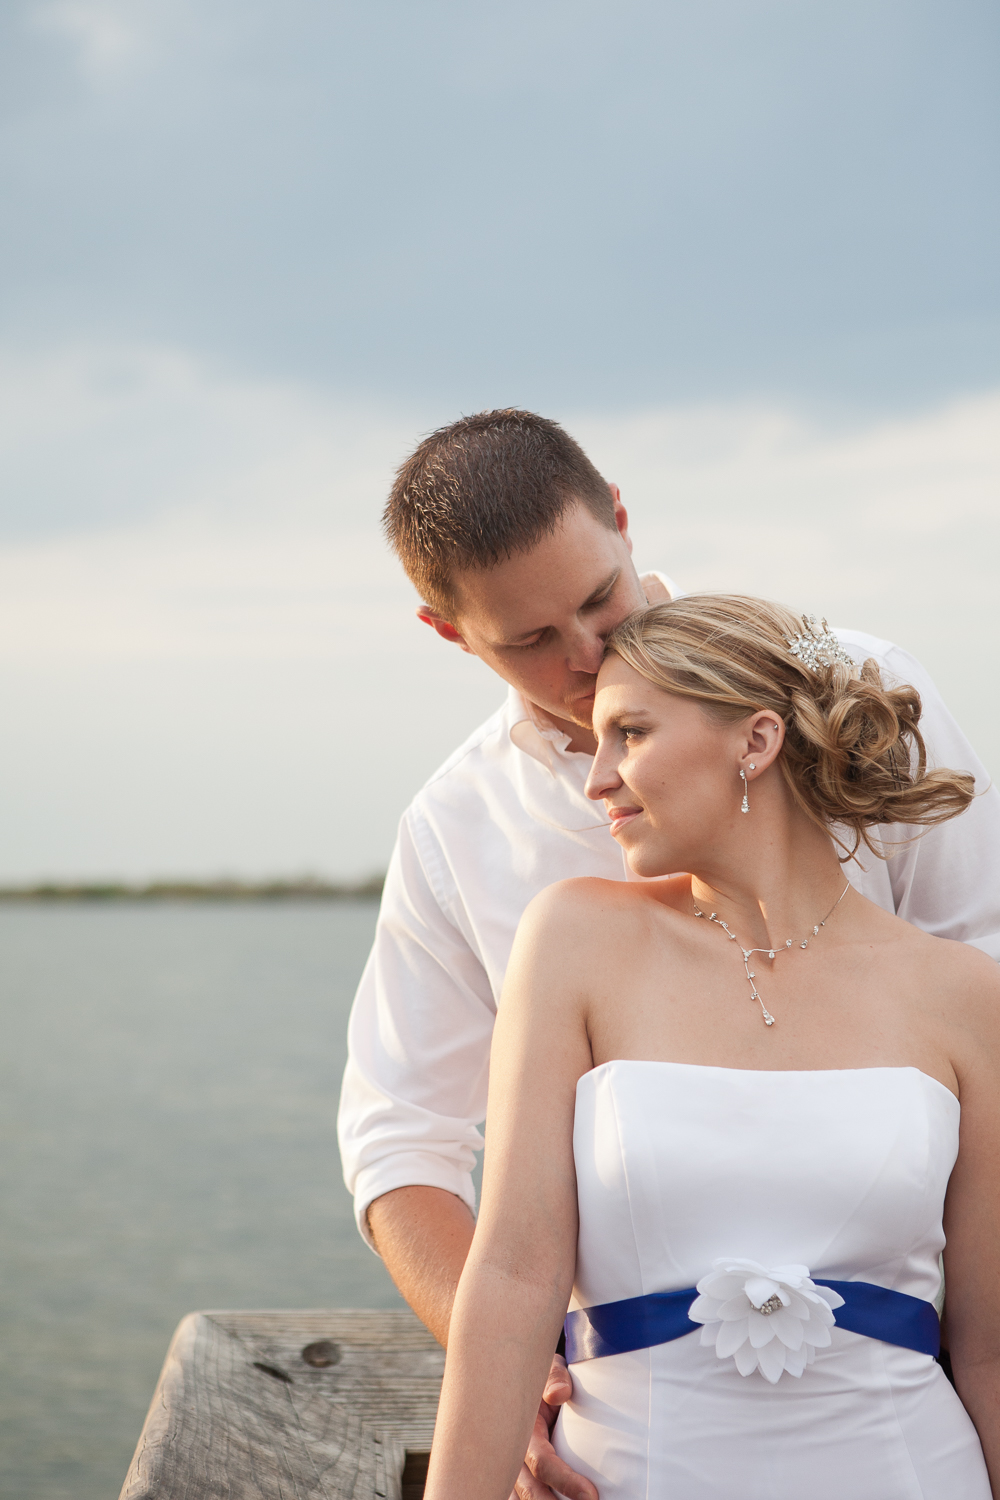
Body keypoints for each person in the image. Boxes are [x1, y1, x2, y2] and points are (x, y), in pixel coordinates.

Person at [338, 410, 1000, 1500]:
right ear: (449, 633)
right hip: (636, 1433)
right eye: (530, 641)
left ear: (624, 525)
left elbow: (977, 980)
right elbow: (399, 1138)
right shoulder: (458, 832)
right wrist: (511, 1378)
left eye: (599, 598)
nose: (586, 654)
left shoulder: (858, 686)